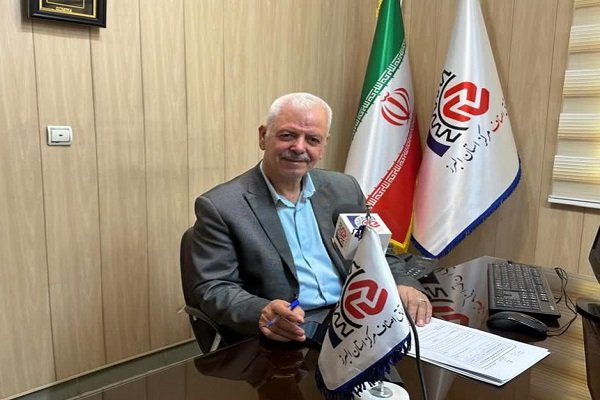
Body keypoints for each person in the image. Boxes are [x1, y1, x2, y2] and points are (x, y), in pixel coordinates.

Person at [189, 92, 431, 344]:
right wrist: (261, 311)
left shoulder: (344, 189)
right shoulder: (222, 206)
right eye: (287, 135)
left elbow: (377, 250)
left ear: (323, 146)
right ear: (263, 136)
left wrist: (404, 282)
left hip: (357, 317)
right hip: (290, 331)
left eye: (313, 139)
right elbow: (214, 287)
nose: (299, 148)